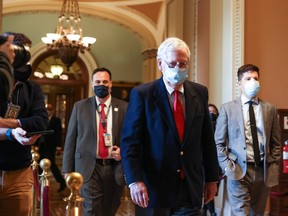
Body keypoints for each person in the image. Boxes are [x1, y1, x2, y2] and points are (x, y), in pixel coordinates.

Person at [120, 37, 219, 216]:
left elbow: (206, 139)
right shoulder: (143, 94)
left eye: (182, 64)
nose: (178, 69)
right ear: (160, 63)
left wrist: (212, 178)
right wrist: (135, 180)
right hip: (153, 189)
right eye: (172, 63)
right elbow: (130, 143)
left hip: (189, 186)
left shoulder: (199, 92)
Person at [214, 64, 281, 215]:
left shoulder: (269, 109)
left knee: (257, 213)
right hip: (237, 170)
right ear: (239, 83)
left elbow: (276, 143)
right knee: (240, 213)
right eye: (248, 78)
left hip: (263, 171)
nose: (253, 82)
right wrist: (226, 166)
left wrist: (274, 164)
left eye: (256, 78)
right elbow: (218, 142)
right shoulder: (228, 108)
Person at [62, 67, 128, 216]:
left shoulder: (124, 108)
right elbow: (70, 138)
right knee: (91, 209)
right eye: (97, 82)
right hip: (88, 167)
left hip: (115, 167)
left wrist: (123, 152)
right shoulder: (80, 107)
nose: (101, 85)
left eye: (105, 81)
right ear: (92, 84)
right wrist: (67, 169)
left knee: (110, 209)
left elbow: (130, 138)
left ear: (111, 84)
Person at [0, 33, 48, 215]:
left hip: (19, 174)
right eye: (17, 51)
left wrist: (10, 123)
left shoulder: (32, 88)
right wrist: (17, 128)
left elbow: (41, 122)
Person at [38, 104, 66, 192]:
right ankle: (39, 183)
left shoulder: (56, 120)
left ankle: (62, 182)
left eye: (49, 110)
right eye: (46, 110)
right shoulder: (42, 120)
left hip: (51, 146)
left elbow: (58, 134)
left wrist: (59, 146)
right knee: (39, 164)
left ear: (52, 111)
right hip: (41, 145)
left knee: (51, 164)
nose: (47, 112)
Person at [202, 103, 220, 216]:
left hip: (217, 165)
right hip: (202, 164)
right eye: (209, 112)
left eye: (213, 112)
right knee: (204, 189)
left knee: (211, 190)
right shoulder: (201, 125)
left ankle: (210, 212)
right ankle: (211, 212)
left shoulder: (220, 126)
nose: (211, 114)